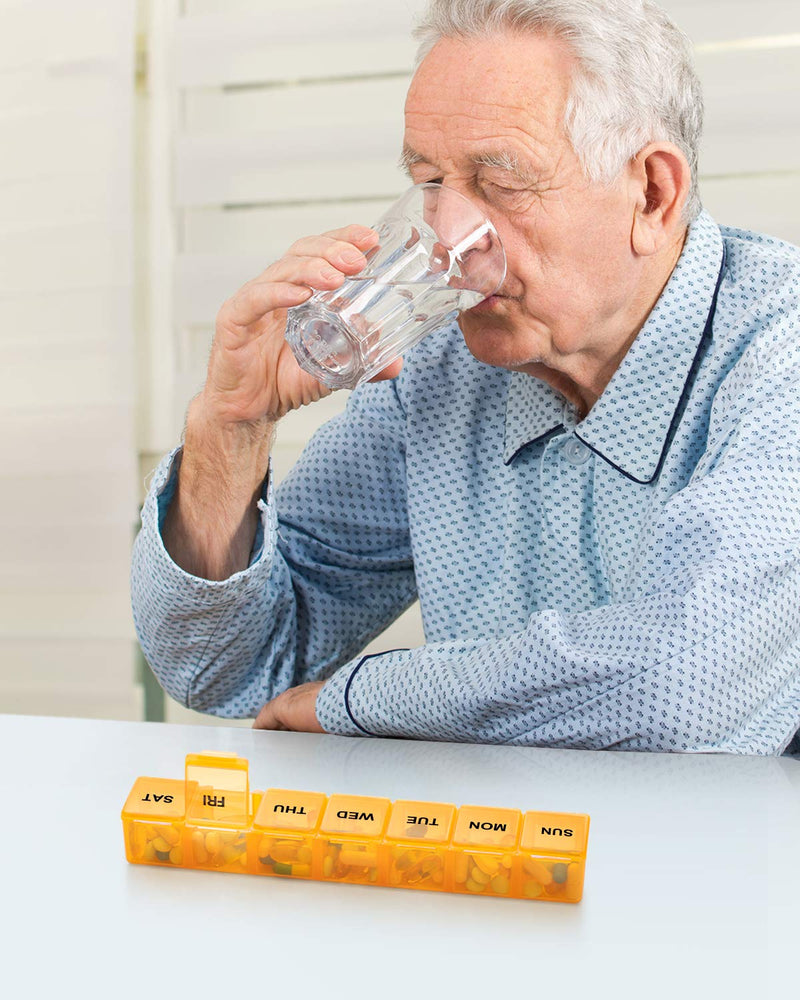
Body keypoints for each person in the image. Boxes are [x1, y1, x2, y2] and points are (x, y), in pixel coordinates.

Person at [131, 0, 800, 754]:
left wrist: (358, 701)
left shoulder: (780, 355)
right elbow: (224, 667)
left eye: (499, 182)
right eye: (431, 181)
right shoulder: (442, 371)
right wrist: (231, 425)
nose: (448, 236)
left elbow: (686, 682)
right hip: (499, 862)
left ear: (652, 194)